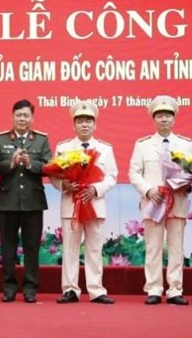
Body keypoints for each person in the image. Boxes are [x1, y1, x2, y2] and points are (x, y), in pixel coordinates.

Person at [128, 95, 192, 305]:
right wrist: (148, 190)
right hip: (154, 202)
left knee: (176, 247)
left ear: (174, 119)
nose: (164, 119)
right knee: (153, 246)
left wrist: (188, 183)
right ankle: (154, 289)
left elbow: (191, 172)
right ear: (153, 119)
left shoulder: (185, 144)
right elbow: (134, 173)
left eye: (168, 115)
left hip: (177, 201)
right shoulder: (143, 145)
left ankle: (175, 289)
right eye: (160, 116)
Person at [51, 101, 117, 305]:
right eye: (80, 121)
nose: (84, 125)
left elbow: (112, 176)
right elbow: (53, 175)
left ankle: (96, 290)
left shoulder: (105, 149)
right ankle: (70, 289)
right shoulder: (63, 148)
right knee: (70, 248)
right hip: (71, 204)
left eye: (88, 121)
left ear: (95, 124)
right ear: (74, 125)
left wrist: (95, 189)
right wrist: (64, 184)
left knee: (95, 248)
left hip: (95, 204)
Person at [0, 99, 51, 303]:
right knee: (7, 247)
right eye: (18, 115)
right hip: (7, 200)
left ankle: (30, 289)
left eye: (26, 115)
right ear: (12, 116)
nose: (22, 119)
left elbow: (49, 168)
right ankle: (9, 288)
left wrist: (31, 163)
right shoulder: (0, 139)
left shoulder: (41, 140)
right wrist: (12, 163)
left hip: (33, 201)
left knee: (32, 247)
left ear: (32, 118)